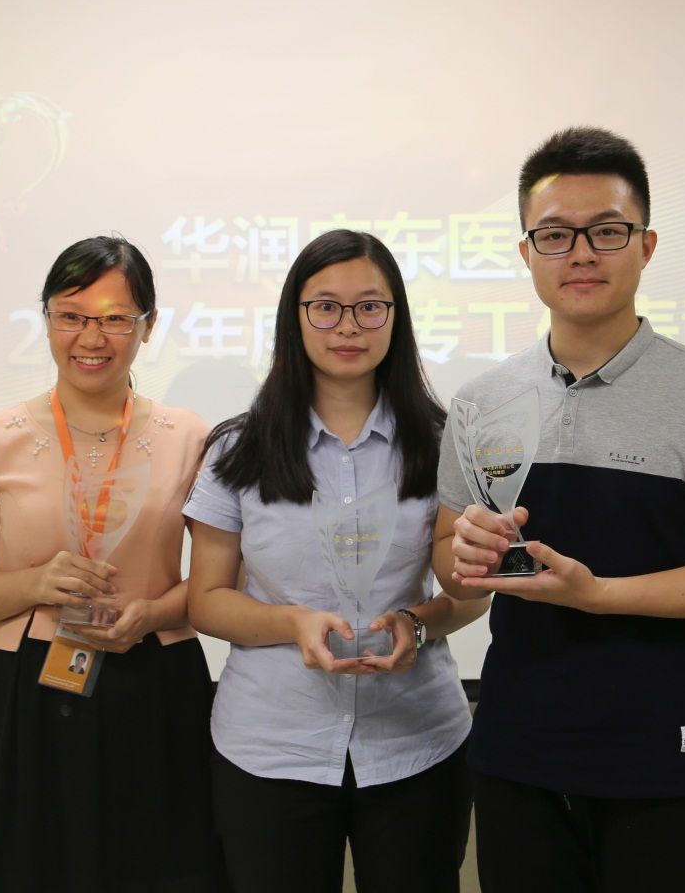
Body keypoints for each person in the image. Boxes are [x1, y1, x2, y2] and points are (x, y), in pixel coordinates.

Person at [435, 126, 685, 893]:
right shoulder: (482, 401)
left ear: (647, 245)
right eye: (555, 235)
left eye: (607, 231)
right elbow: (452, 566)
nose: (581, 253)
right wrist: (465, 553)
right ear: (526, 251)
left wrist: (598, 594)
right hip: (518, 755)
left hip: (665, 757)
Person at [185, 229, 486, 893]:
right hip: (271, 746)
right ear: (294, 317)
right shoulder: (237, 450)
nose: (348, 325)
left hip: (416, 743)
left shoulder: (446, 444)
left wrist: (418, 624)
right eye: (325, 307)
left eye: (369, 307)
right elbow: (205, 600)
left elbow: (471, 592)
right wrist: (291, 623)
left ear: (396, 317)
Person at [0, 235, 223, 892]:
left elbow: (218, 583)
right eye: (71, 315)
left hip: (157, 678)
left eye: (116, 318)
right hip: (32, 686)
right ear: (46, 320)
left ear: (149, 326)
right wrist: (34, 583)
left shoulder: (190, 438)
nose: (92, 337)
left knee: (162, 865)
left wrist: (152, 613)